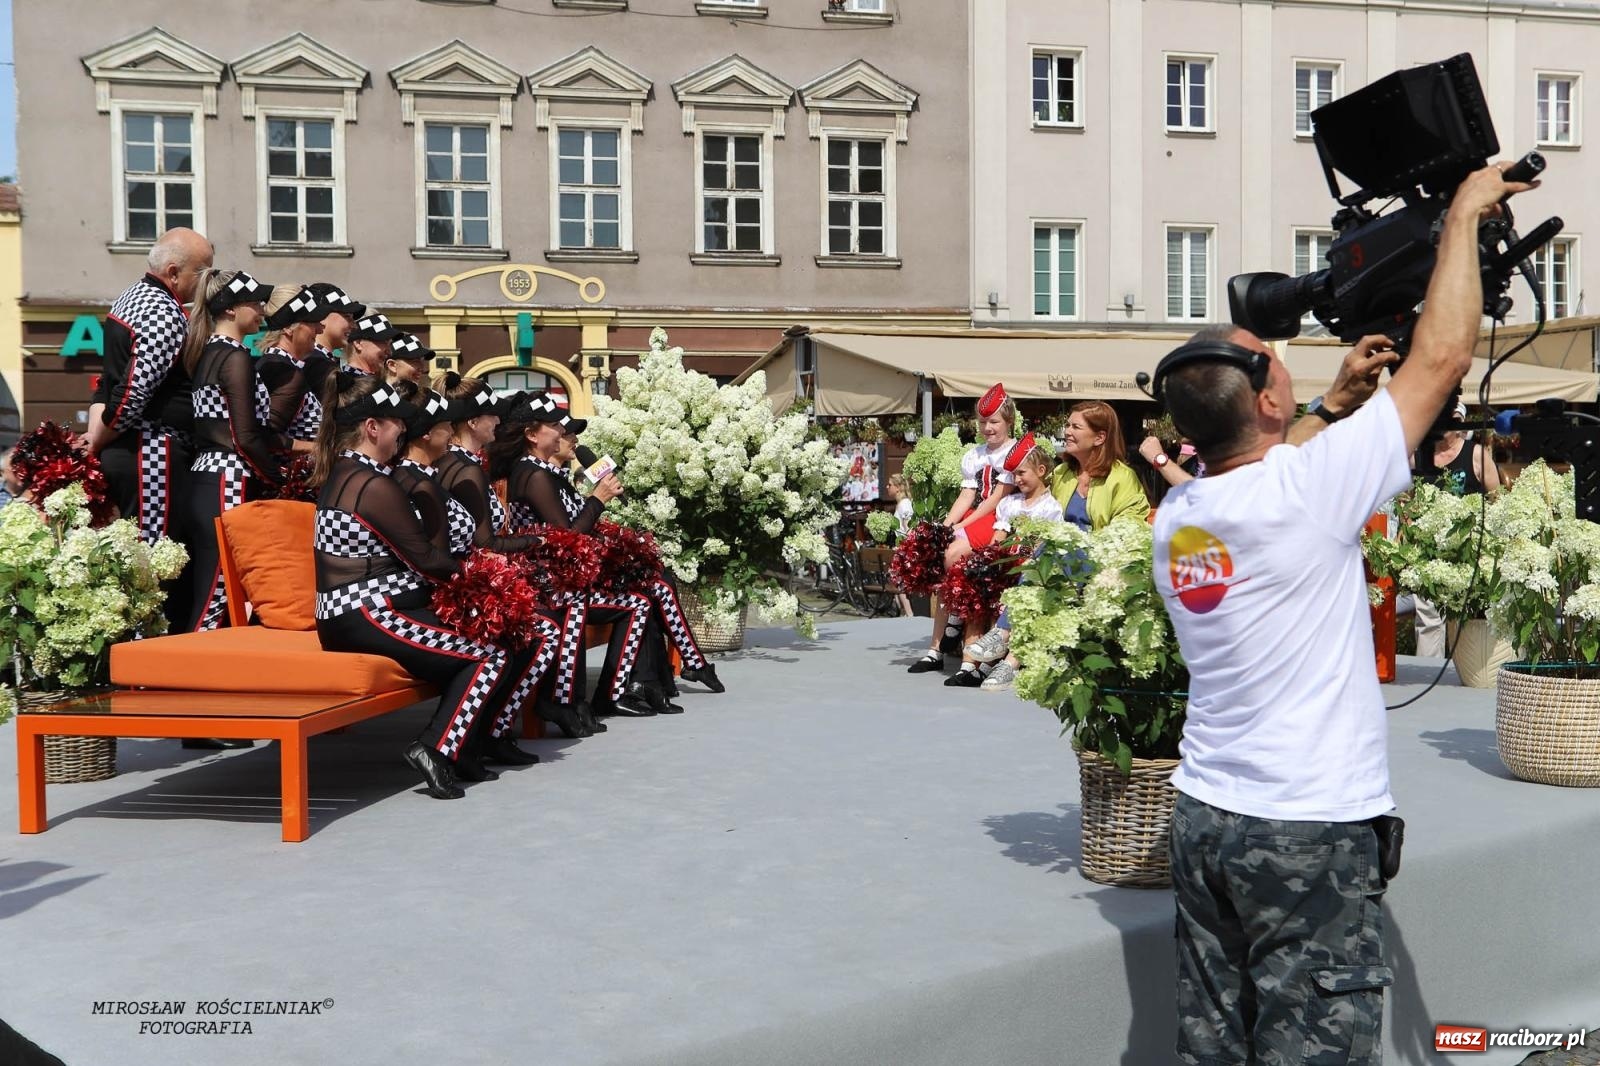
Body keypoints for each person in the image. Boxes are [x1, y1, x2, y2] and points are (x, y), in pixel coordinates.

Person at [1151, 163, 1530, 1064]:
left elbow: (1263, 465)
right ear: (1270, 401)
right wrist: (1466, 215)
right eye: (1279, 373)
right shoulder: (1304, 488)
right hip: (1305, 826)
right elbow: (1441, 360)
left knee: (1217, 1042)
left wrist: (1328, 403)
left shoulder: (1180, 515)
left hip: (1207, 812)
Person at [311, 375, 549, 798]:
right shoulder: (370, 484)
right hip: (366, 614)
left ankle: (468, 746)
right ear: (372, 428)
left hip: (371, 609)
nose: (403, 430)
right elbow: (427, 559)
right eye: (396, 423)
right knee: (489, 656)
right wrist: (488, 581)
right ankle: (435, 748)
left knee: (512, 639)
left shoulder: (356, 473)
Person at [389, 383, 575, 749]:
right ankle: (490, 732)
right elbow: (474, 543)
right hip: (447, 588)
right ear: (472, 423)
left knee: (549, 618)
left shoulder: (453, 468)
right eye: (492, 415)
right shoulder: (454, 471)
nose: (498, 422)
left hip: (463, 577)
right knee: (547, 626)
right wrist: (534, 543)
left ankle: (495, 731)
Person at [489, 393, 680, 720]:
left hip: (565, 573)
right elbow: (568, 537)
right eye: (554, 426)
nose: (563, 432)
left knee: (647, 584)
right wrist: (598, 499)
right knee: (638, 601)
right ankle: (606, 694)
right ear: (532, 435)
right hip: (551, 580)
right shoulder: (532, 473)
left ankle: (642, 685)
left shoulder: (541, 471)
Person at [180, 270, 291, 635]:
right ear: (229, 310)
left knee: (213, 587)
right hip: (227, 478)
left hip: (205, 476)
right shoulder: (234, 357)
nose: (262, 310)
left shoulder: (207, 352)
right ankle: (189, 677)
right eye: (254, 302)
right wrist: (278, 479)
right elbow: (244, 436)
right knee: (220, 590)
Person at [86, 227, 214, 546]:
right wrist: (99, 437)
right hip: (152, 451)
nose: (206, 282)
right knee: (155, 558)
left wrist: (97, 435)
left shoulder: (129, 297)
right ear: (174, 272)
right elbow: (132, 394)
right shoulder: (164, 312)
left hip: (137, 449)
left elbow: (110, 379)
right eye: (202, 271)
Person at [907, 383, 1017, 675]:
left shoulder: (1014, 453)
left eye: (994, 421)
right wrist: (945, 526)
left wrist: (963, 525)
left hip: (1000, 518)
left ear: (1009, 422)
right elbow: (967, 495)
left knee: (954, 557)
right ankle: (936, 649)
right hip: (975, 516)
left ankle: (954, 628)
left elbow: (998, 497)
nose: (987, 428)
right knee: (945, 554)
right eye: (983, 422)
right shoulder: (975, 455)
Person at [1413, 402, 1501, 657]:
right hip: (1428, 550)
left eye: (1450, 418)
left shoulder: (1475, 454)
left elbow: (1497, 498)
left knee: (1467, 617)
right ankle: (1428, 677)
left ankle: (1469, 672)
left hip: (1469, 551)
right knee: (1429, 620)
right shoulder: (1418, 454)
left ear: (1460, 422)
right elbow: (1406, 499)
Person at [1049, 401, 1150, 527]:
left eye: (1076, 427)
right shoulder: (1060, 472)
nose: (1067, 432)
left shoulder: (1123, 478)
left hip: (1105, 546)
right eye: (1067, 425)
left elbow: (1128, 527)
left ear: (1099, 438)